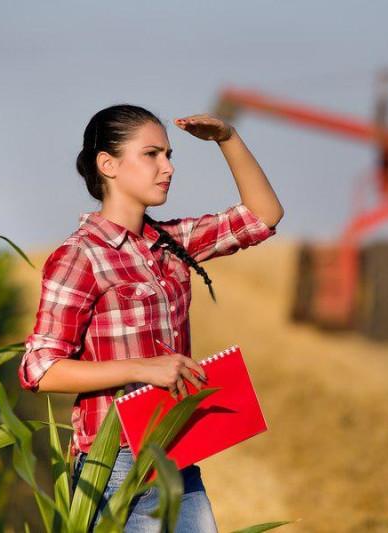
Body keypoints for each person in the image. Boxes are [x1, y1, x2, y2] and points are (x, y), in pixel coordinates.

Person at [17, 104, 284, 532]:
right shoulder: (80, 256)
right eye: (152, 154)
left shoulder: (171, 243)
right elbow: (40, 369)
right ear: (108, 165)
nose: (168, 168)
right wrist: (143, 368)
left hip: (175, 449)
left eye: (170, 155)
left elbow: (262, 216)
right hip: (116, 463)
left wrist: (227, 138)